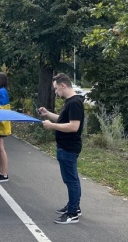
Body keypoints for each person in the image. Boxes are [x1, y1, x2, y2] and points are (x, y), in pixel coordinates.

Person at [38, 73, 85, 225]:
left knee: (71, 181)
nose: (56, 92)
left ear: (63, 85)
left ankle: (72, 213)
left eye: (56, 89)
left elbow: (73, 126)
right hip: (64, 147)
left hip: (69, 147)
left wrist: (51, 126)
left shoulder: (74, 103)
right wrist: (48, 114)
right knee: (70, 179)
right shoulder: (70, 102)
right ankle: (73, 207)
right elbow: (63, 119)